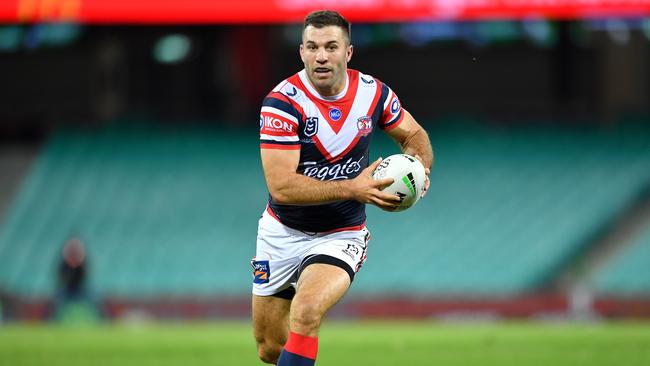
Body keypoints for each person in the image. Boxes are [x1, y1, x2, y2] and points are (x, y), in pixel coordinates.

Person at [252, 10, 433, 365]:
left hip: (341, 233)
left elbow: (413, 135)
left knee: (305, 313)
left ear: (348, 53)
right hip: (281, 232)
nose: (321, 56)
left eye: (331, 46)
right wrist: (353, 187)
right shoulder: (282, 103)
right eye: (312, 47)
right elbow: (282, 187)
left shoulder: (373, 93)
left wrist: (420, 171)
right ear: (301, 52)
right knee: (270, 348)